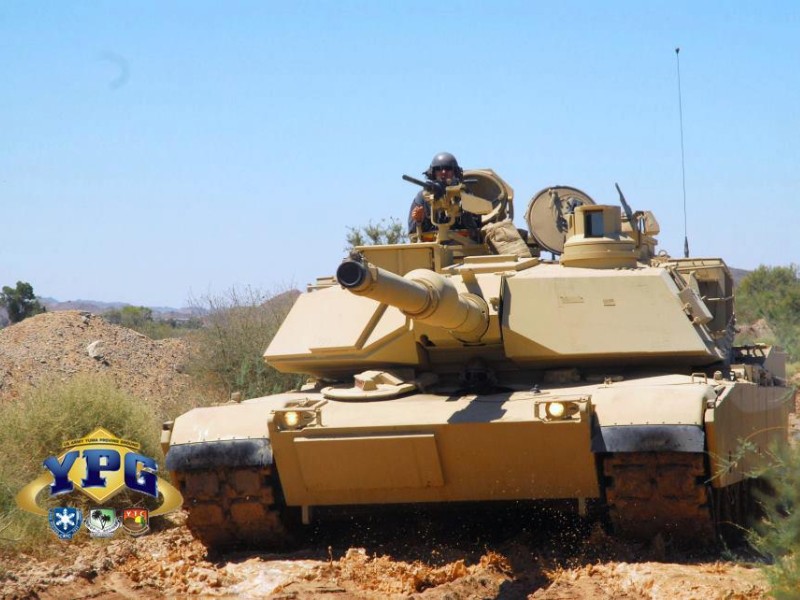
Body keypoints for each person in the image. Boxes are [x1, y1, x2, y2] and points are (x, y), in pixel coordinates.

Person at [407, 152, 481, 238]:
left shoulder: (464, 194)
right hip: (432, 246)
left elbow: (477, 230)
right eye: (438, 169)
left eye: (448, 169)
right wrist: (419, 221)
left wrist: (465, 213)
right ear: (433, 172)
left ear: (455, 172)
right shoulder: (423, 197)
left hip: (463, 245)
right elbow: (413, 234)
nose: (443, 172)